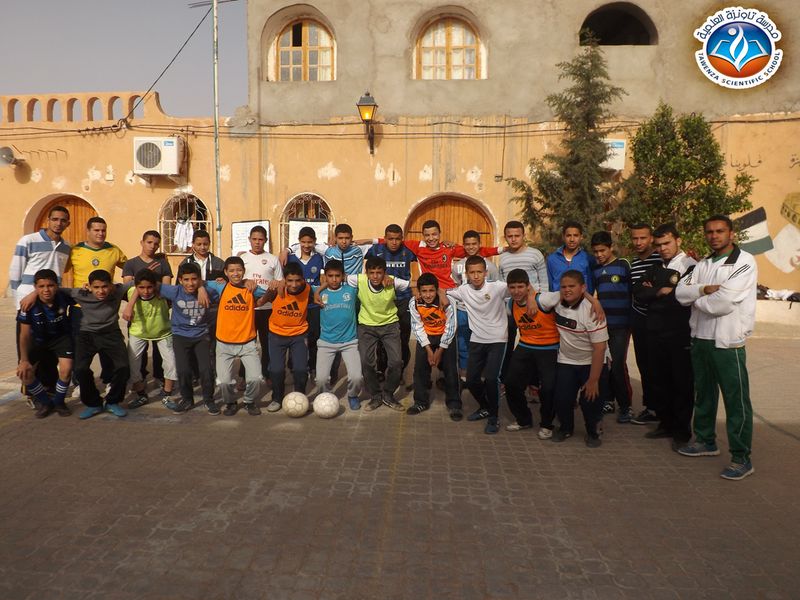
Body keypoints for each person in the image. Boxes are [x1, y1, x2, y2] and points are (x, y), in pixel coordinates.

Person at [675, 215, 758, 481]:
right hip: (700, 338)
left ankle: (741, 457)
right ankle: (705, 441)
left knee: (736, 401)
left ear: (731, 233)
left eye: (720, 231)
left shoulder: (744, 262)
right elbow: (680, 293)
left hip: (727, 341)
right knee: (704, 395)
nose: (714, 236)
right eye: (709, 232)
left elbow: (723, 303)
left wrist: (696, 298)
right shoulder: (703, 264)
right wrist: (704, 290)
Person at [633, 224, 696, 447]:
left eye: (667, 243)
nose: (662, 248)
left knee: (681, 382)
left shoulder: (691, 266)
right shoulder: (656, 266)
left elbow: (681, 298)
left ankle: (681, 431)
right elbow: (638, 292)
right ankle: (665, 423)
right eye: (658, 245)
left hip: (679, 333)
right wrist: (659, 291)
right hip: (654, 331)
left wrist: (655, 293)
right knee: (659, 380)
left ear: (678, 241)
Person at [445, 255, 518, 434]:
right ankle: (485, 407)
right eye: (472, 272)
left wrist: (531, 298)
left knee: (492, 379)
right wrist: (439, 294)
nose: (476, 276)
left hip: (497, 340)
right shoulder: (463, 290)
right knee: (471, 380)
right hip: (477, 340)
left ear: (486, 273)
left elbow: (521, 289)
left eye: (479, 272)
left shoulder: (498, 287)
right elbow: (443, 291)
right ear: (467, 274)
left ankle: (494, 417)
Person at [537, 271, 610, 447]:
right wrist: (533, 301)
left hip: (592, 362)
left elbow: (600, 349)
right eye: (563, 286)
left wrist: (593, 380)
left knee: (590, 400)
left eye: (572, 286)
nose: (567, 290)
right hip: (566, 361)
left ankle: (593, 432)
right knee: (561, 399)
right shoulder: (556, 299)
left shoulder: (593, 312)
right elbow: (534, 296)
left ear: (583, 288)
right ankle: (566, 428)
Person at [9, 205, 71, 400]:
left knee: (49, 352)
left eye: (63, 220)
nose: (58, 223)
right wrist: (20, 302)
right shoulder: (28, 241)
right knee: (29, 351)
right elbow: (15, 274)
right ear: (48, 220)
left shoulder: (66, 247)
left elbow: (58, 275)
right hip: (28, 304)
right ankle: (31, 393)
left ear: (67, 223)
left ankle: (49, 389)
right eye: (55, 219)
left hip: (51, 304)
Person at [339, 255, 410, 412]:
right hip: (367, 327)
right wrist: (319, 291)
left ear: (385, 272)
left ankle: (388, 394)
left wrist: (440, 292)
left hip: (390, 325)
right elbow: (337, 276)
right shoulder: (359, 280)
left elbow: (414, 283)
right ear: (367, 273)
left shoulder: (393, 281)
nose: (375, 276)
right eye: (372, 272)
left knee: (396, 362)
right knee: (366, 362)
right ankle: (376, 395)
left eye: (379, 272)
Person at [58, 270, 131, 419]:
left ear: (111, 285)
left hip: (111, 334)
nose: (101, 291)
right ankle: (93, 404)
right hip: (87, 335)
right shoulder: (82, 294)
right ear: (89, 286)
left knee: (123, 367)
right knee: (80, 369)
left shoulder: (118, 290)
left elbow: (138, 282)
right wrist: (32, 294)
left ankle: (112, 401)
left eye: (104, 286)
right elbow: (57, 289)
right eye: (96, 287)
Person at [67, 216, 127, 395]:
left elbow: (129, 268)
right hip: (81, 309)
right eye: (96, 230)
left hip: (106, 308)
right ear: (88, 231)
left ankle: (108, 380)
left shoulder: (113, 250)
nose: (100, 233)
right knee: (81, 349)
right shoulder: (75, 250)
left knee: (107, 348)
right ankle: (80, 383)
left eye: (103, 230)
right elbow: (61, 269)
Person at [206, 256, 270, 416]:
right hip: (224, 343)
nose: (236, 274)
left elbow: (270, 295)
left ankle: (249, 401)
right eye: (232, 271)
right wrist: (200, 289)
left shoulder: (251, 288)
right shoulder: (220, 286)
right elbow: (200, 283)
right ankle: (230, 402)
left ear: (244, 271)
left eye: (239, 270)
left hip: (247, 343)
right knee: (224, 382)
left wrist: (267, 290)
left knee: (255, 379)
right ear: (225, 272)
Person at [502, 269, 559, 438]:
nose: (516, 291)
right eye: (512, 287)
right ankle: (523, 419)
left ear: (528, 286)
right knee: (511, 384)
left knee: (548, 388)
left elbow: (567, 293)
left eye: (520, 287)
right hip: (526, 346)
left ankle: (547, 424)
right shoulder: (510, 305)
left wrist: (594, 301)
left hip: (549, 348)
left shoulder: (544, 299)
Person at [158, 263, 219, 413]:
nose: (190, 283)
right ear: (180, 280)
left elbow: (228, 286)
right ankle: (187, 400)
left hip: (201, 335)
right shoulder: (174, 291)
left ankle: (209, 400)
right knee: (183, 370)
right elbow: (148, 283)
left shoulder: (210, 291)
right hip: (180, 335)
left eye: (194, 279)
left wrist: (202, 288)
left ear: (200, 279)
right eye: (186, 279)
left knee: (206, 369)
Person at [16, 269, 74, 418]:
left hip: (61, 338)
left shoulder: (64, 296)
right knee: (25, 373)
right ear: (35, 287)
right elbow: (24, 335)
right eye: (41, 286)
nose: (46, 290)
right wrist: (24, 360)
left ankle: (59, 402)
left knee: (66, 370)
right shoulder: (28, 306)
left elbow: (84, 294)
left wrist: (87, 287)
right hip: (38, 342)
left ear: (57, 285)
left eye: (50, 285)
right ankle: (45, 403)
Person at [590, 231, 634, 423]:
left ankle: (626, 406)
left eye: (602, 250)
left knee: (617, 365)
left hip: (621, 325)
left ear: (611, 247)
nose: (599, 255)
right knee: (603, 365)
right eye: (595, 251)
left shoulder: (623, 265)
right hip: (603, 326)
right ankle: (608, 400)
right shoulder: (596, 270)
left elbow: (633, 293)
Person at [497, 220, 548, 378]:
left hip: (533, 306)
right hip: (512, 308)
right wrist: (505, 308)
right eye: (510, 236)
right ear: (505, 237)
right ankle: (505, 378)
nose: (513, 239)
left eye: (517, 235)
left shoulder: (535, 254)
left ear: (523, 236)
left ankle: (534, 381)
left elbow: (544, 282)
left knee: (534, 344)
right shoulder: (503, 258)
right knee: (508, 342)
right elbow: (502, 285)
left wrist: (538, 303)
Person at [365, 224, 417, 378]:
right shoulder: (375, 250)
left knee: (402, 338)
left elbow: (415, 274)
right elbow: (365, 268)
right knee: (382, 337)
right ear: (385, 238)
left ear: (402, 239)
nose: (394, 242)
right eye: (391, 239)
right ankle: (381, 369)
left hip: (403, 299)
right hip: (382, 300)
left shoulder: (409, 252)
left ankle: (399, 371)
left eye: (397, 239)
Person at [122, 230, 173, 387]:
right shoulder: (131, 263)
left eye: (156, 244)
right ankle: (140, 380)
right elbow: (128, 286)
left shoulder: (163, 263)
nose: (152, 246)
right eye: (149, 242)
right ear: (142, 242)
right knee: (138, 352)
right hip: (138, 313)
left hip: (158, 313)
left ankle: (160, 377)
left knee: (160, 351)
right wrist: (146, 275)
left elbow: (166, 287)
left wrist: (149, 281)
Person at [121, 269, 177, 410]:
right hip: (138, 332)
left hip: (163, 332)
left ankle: (167, 395)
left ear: (155, 285)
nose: (146, 291)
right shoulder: (130, 293)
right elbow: (109, 288)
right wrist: (129, 305)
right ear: (136, 286)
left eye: (149, 287)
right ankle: (141, 395)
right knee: (133, 365)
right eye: (141, 287)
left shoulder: (163, 293)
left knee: (171, 363)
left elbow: (183, 290)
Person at [394, 219, 502, 290]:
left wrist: (501, 250)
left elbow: (474, 250)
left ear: (440, 233)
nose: (431, 238)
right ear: (423, 235)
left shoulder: (449, 248)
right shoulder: (418, 247)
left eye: (434, 234)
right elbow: (393, 239)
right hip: (429, 291)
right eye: (427, 235)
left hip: (449, 291)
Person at [313, 260, 363, 410]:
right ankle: (325, 397)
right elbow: (297, 285)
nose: (334, 279)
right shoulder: (319, 292)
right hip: (326, 343)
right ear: (325, 277)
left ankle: (352, 395)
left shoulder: (351, 290)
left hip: (349, 342)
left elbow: (367, 280)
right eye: (330, 276)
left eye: (337, 276)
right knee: (321, 380)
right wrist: (318, 291)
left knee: (356, 377)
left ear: (343, 276)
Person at [408, 273, 460, 418]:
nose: (428, 295)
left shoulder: (448, 302)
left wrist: (440, 350)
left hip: (446, 336)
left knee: (451, 370)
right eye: (424, 291)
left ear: (437, 290)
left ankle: (454, 404)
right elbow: (417, 327)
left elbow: (451, 327)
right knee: (420, 369)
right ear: (419, 292)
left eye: (431, 290)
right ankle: (420, 402)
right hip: (427, 336)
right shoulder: (414, 303)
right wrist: (429, 350)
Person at [451, 230, 501, 376]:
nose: (471, 247)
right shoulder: (457, 266)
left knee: (483, 342)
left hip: (483, 312)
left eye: (474, 244)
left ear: (480, 244)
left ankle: (483, 373)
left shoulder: (490, 266)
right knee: (463, 341)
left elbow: (495, 288)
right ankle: (465, 373)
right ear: (463, 245)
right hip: (463, 310)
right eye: (467, 244)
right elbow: (456, 285)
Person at [265, 261, 312, 412]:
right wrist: (271, 288)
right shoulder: (277, 289)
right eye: (290, 280)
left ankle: (300, 397)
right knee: (276, 370)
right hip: (276, 335)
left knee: (300, 369)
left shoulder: (308, 289)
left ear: (303, 279)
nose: (294, 284)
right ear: (284, 280)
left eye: (298, 280)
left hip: (299, 335)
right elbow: (261, 300)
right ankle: (277, 398)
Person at [628, 223, 662, 425]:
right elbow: (638, 290)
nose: (639, 242)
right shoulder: (633, 262)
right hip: (638, 318)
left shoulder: (659, 259)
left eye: (643, 238)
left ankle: (661, 408)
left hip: (657, 320)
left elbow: (659, 289)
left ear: (651, 239)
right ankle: (650, 407)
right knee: (644, 365)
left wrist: (650, 289)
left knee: (657, 366)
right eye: (635, 238)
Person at [240, 225, 283, 380]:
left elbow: (280, 282)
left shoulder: (273, 259)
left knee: (267, 343)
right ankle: (244, 376)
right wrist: (245, 281)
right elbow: (234, 280)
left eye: (260, 239)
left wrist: (275, 285)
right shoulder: (242, 259)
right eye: (254, 239)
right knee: (247, 343)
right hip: (247, 308)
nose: (257, 242)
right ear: (249, 239)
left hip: (267, 308)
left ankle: (267, 374)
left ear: (265, 240)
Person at [286, 226, 326, 376]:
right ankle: (292, 364)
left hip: (313, 305)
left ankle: (313, 366)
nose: (307, 245)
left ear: (314, 242)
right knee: (295, 336)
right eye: (303, 242)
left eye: (310, 242)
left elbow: (322, 280)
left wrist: (319, 294)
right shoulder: (291, 258)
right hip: (295, 304)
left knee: (314, 336)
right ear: (299, 242)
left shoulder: (319, 258)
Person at [546, 221, 595, 294]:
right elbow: (550, 286)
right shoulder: (552, 259)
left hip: (583, 300)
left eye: (575, 235)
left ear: (581, 237)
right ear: (563, 237)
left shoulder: (588, 259)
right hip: (558, 300)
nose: (572, 239)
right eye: (568, 235)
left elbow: (592, 284)